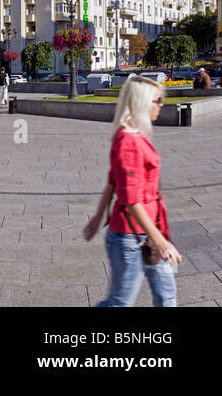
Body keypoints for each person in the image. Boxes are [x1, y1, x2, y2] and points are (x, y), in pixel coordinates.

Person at [84, 75, 180, 306]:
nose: (161, 105)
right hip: (130, 238)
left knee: (166, 295)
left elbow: (112, 180)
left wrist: (98, 217)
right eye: (157, 100)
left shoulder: (135, 135)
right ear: (143, 102)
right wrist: (162, 242)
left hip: (147, 231)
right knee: (119, 302)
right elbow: (130, 199)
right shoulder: (128, 141)